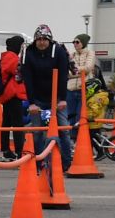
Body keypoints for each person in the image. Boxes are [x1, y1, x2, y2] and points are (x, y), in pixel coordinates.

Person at [20, 24, 75, 166]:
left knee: (63, 130)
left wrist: (62, 99)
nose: (42, 42)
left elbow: (63, 75)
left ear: (50, 40)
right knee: (37, 131)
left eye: (45, 39)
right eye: (39, 39)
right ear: (35, 40)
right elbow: (28, 79)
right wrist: (31, 102)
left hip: (56, 97)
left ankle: (66, 162)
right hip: (37, 98)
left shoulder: (58, 51)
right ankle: (36, 163)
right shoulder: (29, 53)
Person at [0, 34, 28, 160]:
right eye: (21, 46)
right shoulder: (13, 58)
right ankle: (20, 150)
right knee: (17, 124)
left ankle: (6, 150)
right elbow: (20, 71)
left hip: (6, 95)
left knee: (6, 122)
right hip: (13, 94)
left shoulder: (6, 57)